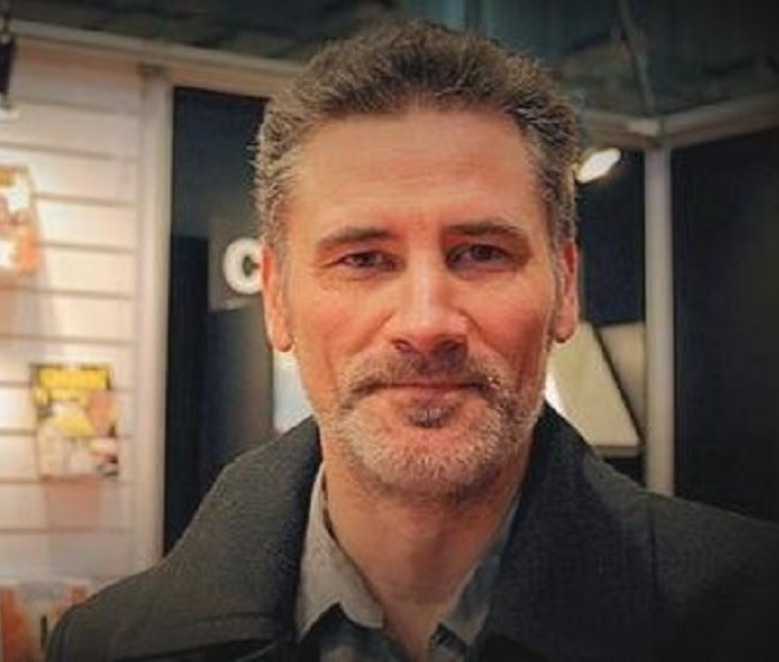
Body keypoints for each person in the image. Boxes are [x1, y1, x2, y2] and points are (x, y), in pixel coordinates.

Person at [47, 19, 779, 661]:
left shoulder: (751, 616)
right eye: (364, 259)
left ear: (565, 286)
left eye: (481, 253)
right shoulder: (109, 647)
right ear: (275, 299)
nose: (426, 322)